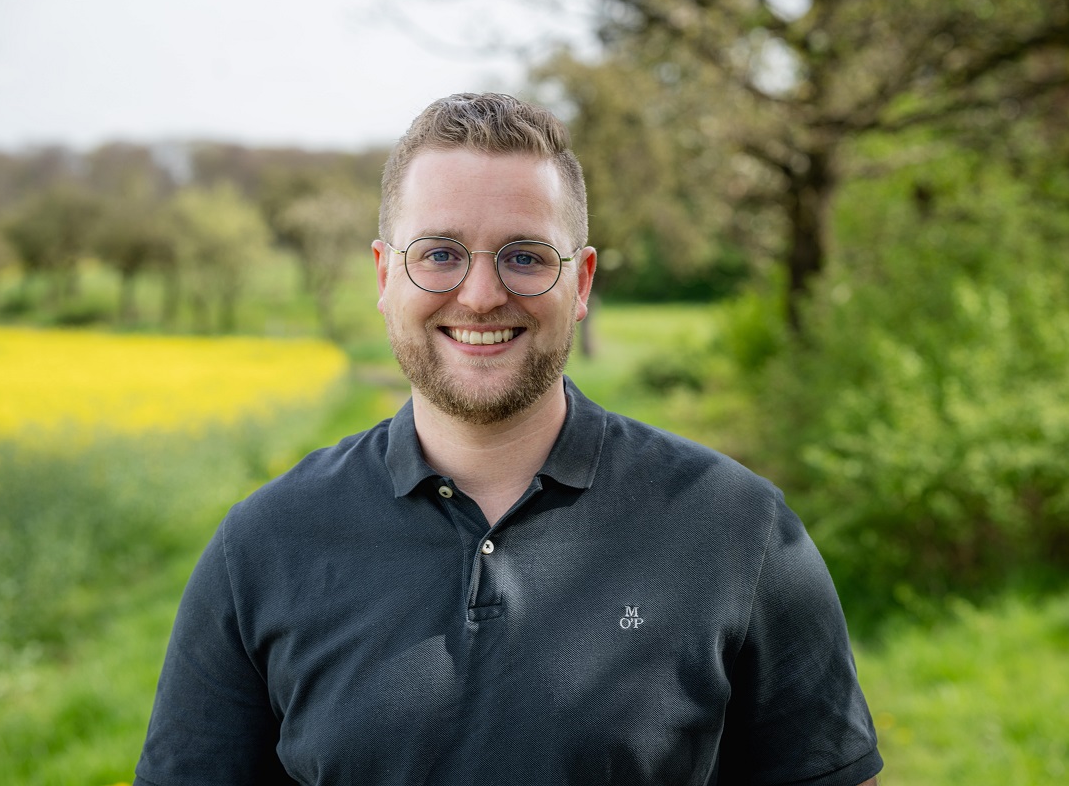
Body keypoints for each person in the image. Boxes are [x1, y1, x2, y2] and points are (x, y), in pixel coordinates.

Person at [135, 93, 883, 786]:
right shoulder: (264, 547)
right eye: (439, 253)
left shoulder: (737, 530)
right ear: (384, 275)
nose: (483, 293)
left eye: (526, 256)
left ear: (581, 282)